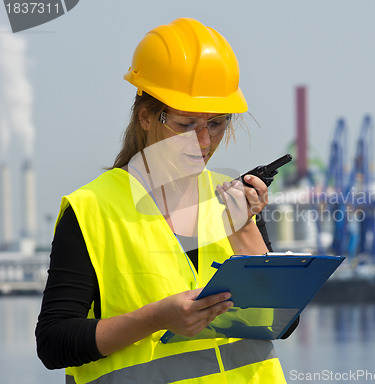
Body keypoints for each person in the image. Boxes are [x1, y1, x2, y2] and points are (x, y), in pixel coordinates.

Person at [35, 17, 294, 384]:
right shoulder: (91, 209)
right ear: (145, 116)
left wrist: (246, 232)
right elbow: (53, 343)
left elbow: (283, 321)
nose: (203, 142)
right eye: (186, 124)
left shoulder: (232, 198)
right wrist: (154, 319)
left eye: (217, 124)